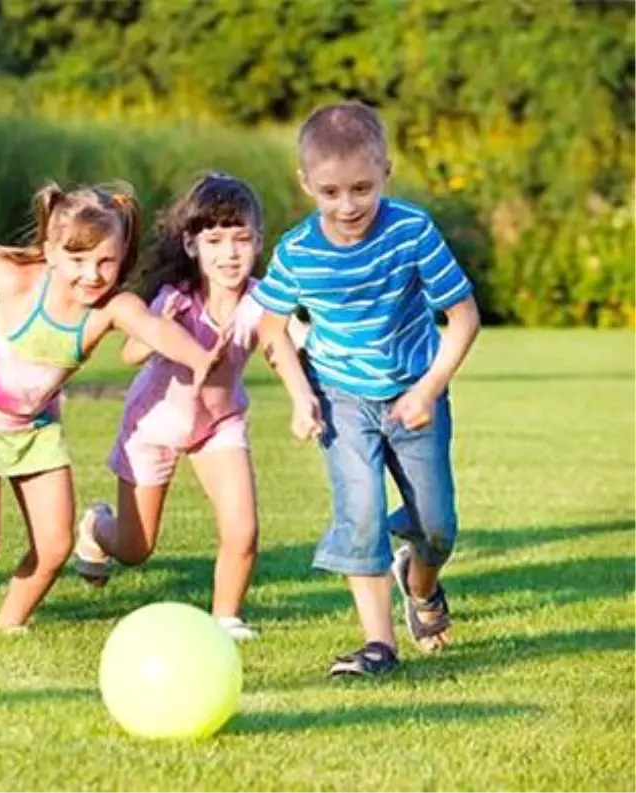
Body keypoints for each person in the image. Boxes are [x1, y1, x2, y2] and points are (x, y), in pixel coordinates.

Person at [0, 147, 226, 631]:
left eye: (106, 261)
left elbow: (154, 329)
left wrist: (200, 358)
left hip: (35, 428)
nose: (91, 274)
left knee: (54, 546)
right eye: (77, 258)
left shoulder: (110, 308)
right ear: (51, 251)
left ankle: (8, 626)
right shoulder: (16, 280)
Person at [254, 101, 481, 676]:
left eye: (362, 188)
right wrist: (301, 395)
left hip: (413, 394)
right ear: (306, 184)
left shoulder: (411, 231)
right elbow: (270, 325)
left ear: (386, 172)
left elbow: (464, 316)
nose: (348, 205)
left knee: (437, 526)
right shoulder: (298, 252)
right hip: (341, 399)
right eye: (331, 192)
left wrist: (428, 390)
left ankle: (420, 582)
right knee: (360, 511)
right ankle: (379, 644)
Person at [74, 172, 300, 641]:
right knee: (136, 549)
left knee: (243, 529)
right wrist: (160, 328)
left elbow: (285, 344)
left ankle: (225, 620)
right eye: (215, 240)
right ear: (193, 245)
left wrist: (307, 394)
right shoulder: (176, 298)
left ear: (258, 241)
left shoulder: (261, 301)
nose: (229, 253)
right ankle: (96, 526)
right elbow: (131, 353)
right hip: (153, 425)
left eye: (241, 239)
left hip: (219, 425)